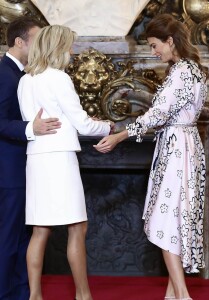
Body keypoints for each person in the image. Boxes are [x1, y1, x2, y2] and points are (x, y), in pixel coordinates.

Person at [94, 13, 208, 300]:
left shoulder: (182, 70)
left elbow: (157, 115)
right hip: (185, 145)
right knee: (175, 218)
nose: (154, 51)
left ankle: (182, 295)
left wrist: (119, 136)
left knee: (166, 220)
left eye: (156, 45)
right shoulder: (192, 69)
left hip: (176, 147)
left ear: (171, 41)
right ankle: (172, 295)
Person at [17, 25, 114, 300]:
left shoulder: (26, 79)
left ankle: (34, 296)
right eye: (70, 46)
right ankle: (83, 295)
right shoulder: (59, 78)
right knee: (77, 227)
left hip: (35, 158)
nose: (72, 52)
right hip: (59, 159)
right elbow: (82, 123)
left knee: (39, 230)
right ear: (58, 47)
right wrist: (108, 127)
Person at [0, 17, 62, 300]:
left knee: (19, 238)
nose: (41, 47)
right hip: (8, 172)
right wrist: (30, 128)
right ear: (19, 42)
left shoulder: (25, 75)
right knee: (8, 240)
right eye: (37, 40)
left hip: (21, 170)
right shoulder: (4, 74)